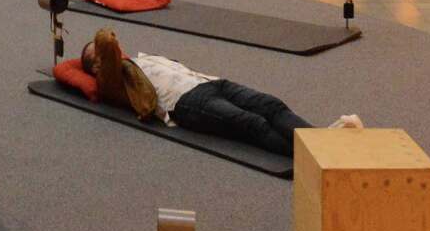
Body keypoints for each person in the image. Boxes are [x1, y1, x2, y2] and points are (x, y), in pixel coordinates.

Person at [81, 29, 359, 157]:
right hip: (186, 102)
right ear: (96, 66)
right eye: (97, 55)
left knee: (270, 105)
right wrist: (102, 54)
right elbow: (106, 42)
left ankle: (323, 143)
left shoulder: (138, 60)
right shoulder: (113, 82)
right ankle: (320, 157)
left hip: (210, 82)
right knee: (253, 123)